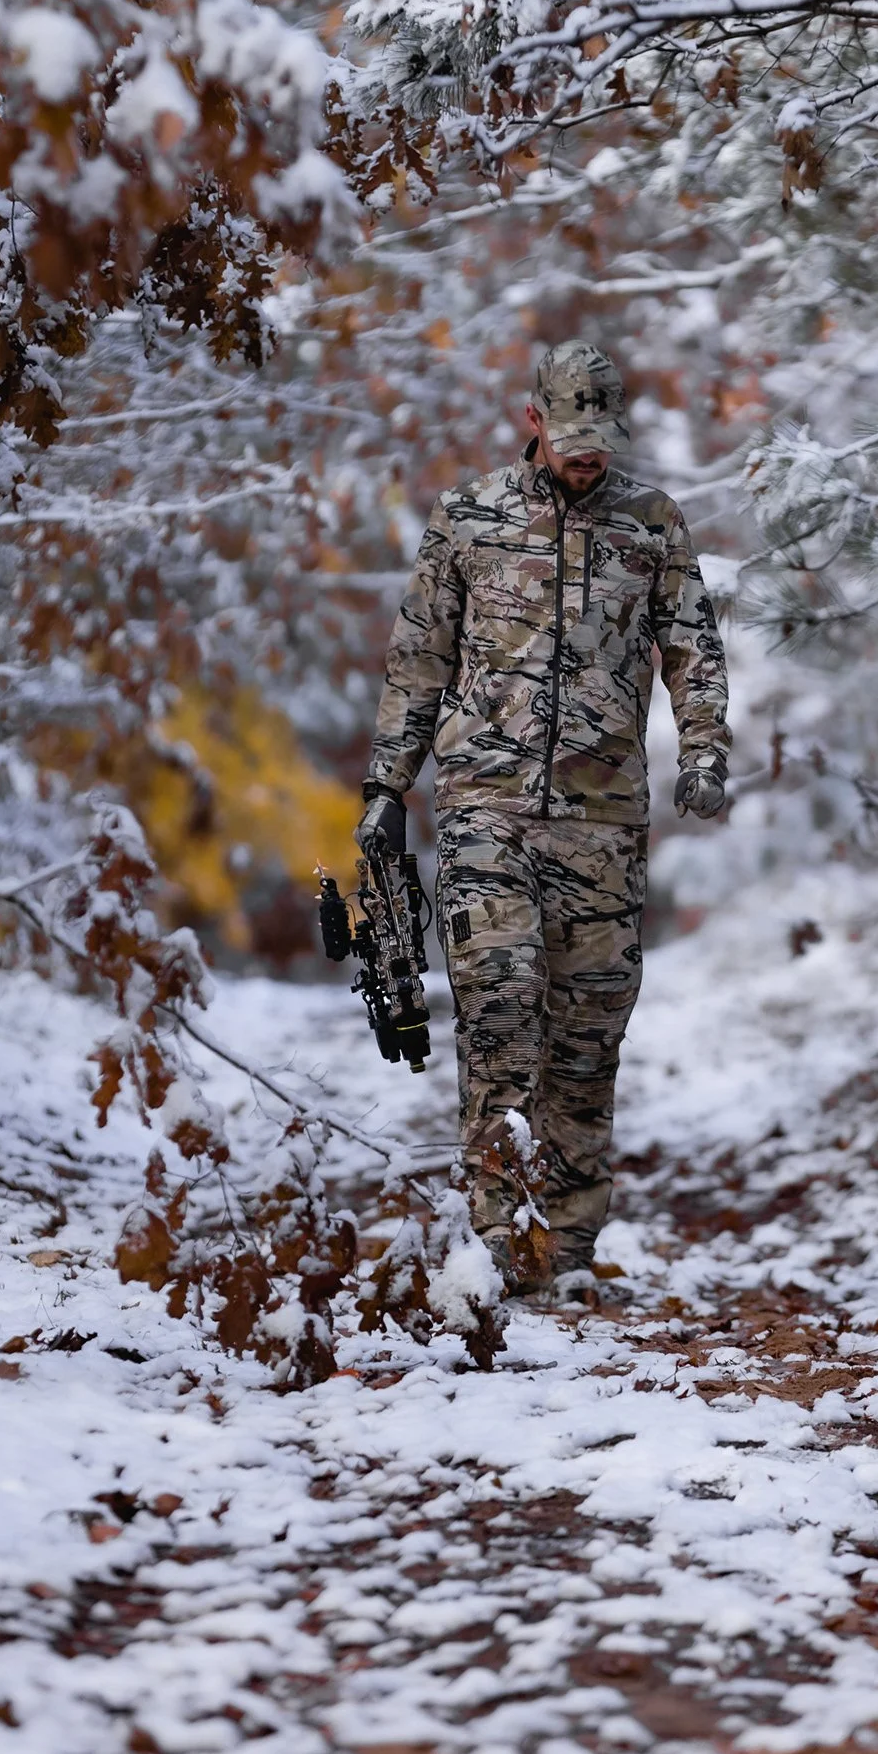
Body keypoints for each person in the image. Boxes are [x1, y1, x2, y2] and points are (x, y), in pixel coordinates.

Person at [359, 341, 731, 1295]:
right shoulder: (469, 518)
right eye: (571, 437)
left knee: (586, 1038)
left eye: (602, 438)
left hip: (604, 823)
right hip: (485, 807)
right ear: (532, 420)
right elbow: (419, 660)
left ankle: (563, 1254)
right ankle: (494, 1242)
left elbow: (692, 650)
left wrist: (703, 750)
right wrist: (385, 786)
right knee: (499, 1015)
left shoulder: (652, 525)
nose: (586, 455)